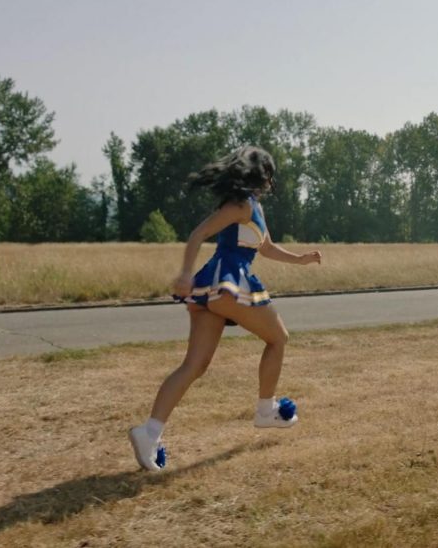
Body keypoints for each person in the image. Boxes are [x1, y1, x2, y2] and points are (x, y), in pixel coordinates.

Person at [129, 146, 322, 471]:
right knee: (278, 338)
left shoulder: (254, 207)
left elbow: (267, 247)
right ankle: (266, 410)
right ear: (261, 175)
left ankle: (149, 433)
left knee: (195, 365)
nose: (271, 183)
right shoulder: (241, 204)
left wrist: (300, 259)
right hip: (227, 282)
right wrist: (185, 273)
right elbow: (199, 234)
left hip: (210, 289)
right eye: (270, 176)